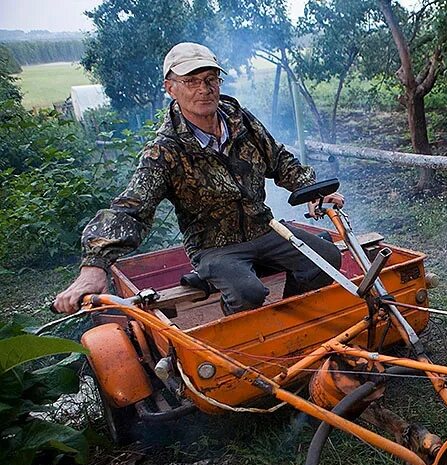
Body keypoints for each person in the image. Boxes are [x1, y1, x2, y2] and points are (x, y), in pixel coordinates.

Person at [52, 42, 344, 315]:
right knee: (248, 292)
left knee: (326, 258)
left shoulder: (241, 121)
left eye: (211, 79)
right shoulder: (164, 151)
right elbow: (132, 209)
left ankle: (294, 321)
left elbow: (279, 161)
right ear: (171, 88)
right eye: (191, 81)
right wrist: (95, 264)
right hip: (214, 247)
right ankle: (239, 346)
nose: (204, 89)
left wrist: (312, 191)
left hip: (263, 228)